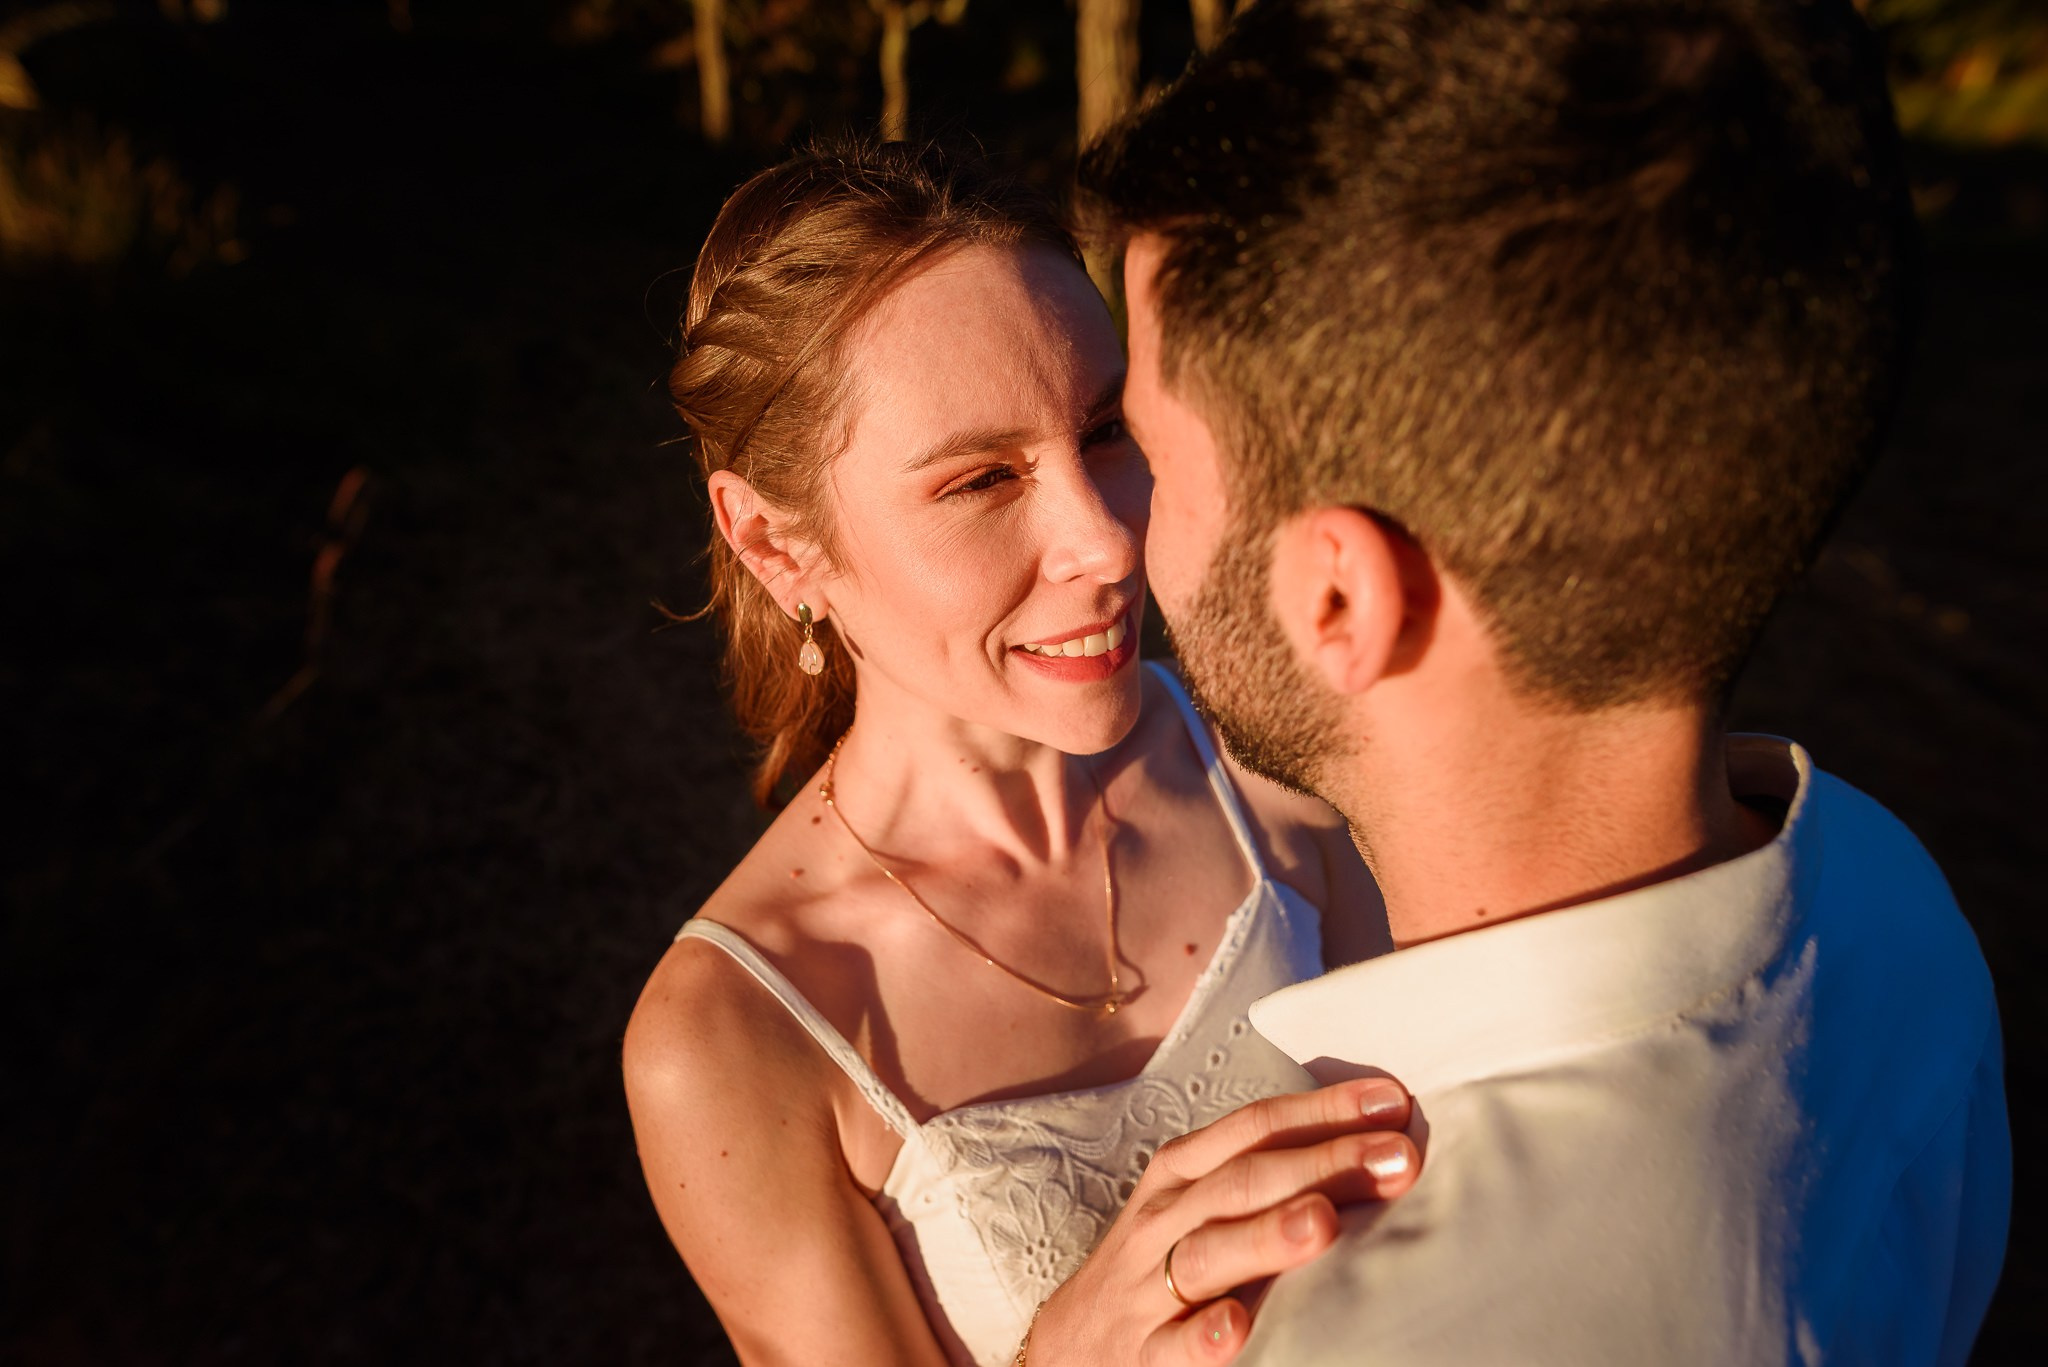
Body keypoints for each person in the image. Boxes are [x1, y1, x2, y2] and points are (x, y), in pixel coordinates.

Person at [1061, 0, 2012, 1363]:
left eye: (1150, 445)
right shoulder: (1873, 883)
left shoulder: (1392, 1322)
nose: (1115, 527)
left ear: (1338, 598)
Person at [621, 139, 1421, 1367]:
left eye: (1105, 428)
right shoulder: (736, 1039)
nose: (1104, 537)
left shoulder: (1289, 761)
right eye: (983, 478)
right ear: (777, 544)